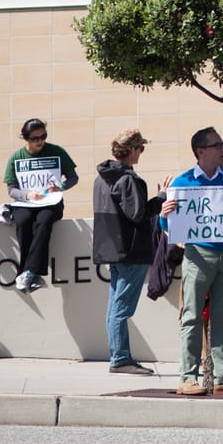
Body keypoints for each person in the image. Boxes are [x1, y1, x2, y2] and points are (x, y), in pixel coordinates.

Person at [160, 127, 223, 396]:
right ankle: (187, 377)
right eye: (217, 145)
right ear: (201, 151)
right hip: (198, 255)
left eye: (222, 144)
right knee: (191, 316)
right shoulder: (183, 183)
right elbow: (169, 225)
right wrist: (165, 214)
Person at [92, 128, 162, 375]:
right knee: (122, 308)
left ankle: (119, 356)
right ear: (132, 150)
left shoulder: (102, 178)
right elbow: (138, 214)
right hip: (131, 251)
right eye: (141, 148)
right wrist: (161, 198)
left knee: (114, 307)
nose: (141, 153)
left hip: (112, 249)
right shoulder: (129, 179)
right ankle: (120, 358)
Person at [3, 118, 78, 294]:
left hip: (51, 202)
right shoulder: (16, 157)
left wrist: (61, 186)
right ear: (26, 138)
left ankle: (27, 271)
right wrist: (27, 195)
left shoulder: (56, 151)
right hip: (26, 202)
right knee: (23, 221)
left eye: (43, 136)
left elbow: (73, 177)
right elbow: (11, 190)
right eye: (35, 138)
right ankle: (33, 273)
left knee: (44, 221)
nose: (40, 141)